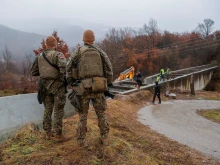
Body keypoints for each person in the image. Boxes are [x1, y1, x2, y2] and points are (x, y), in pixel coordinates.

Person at [66, 30, 113, 147]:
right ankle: (104, 137)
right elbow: (109, 69)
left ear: (83, 39)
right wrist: (106, 83)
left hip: (83, 88)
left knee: (83, 115)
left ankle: (82, 140)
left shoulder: (78, 51)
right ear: (93, 39)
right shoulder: (100, 51)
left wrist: (72, 83)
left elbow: (68, 67)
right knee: (101, 113)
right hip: (98, 87)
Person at [31, 36, 67, 141]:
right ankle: (58, 134)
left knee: (47, 109)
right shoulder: (58, 55)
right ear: (55, 44)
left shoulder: (39, 56)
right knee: (58, 109)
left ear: (46, 45)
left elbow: (34, 72)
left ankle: (47, 133)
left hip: (44, 86)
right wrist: (60, 78)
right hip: (57, 86)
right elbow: (63, 69)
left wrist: (44, 73)